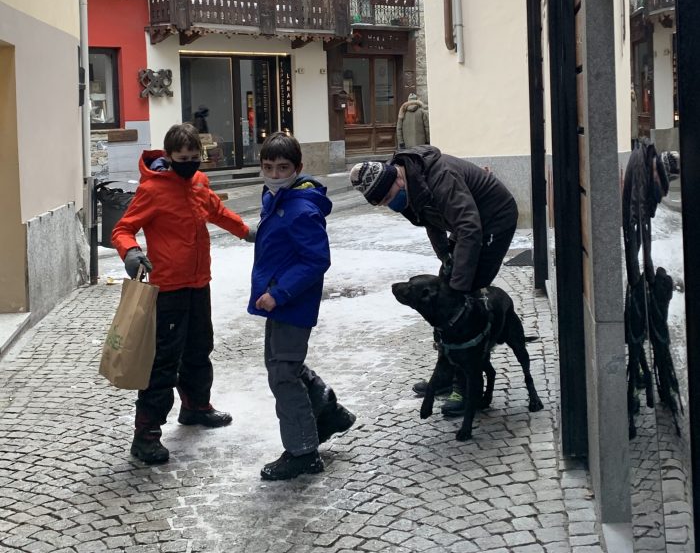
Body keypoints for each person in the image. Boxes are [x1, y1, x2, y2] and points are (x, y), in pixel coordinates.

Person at [112, 122, 255, 465]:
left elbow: (217, 212)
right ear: (170, 156)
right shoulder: (153, 190)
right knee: (163, 362)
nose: (190, 162)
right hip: (169, 288)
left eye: (195, 157)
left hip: (198, 282)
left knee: (199, 347)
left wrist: (246, 231)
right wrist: (131, 252)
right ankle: (145, 435)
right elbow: (123, 228)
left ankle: (195, 406)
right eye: (183, 157)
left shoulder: (199, 184)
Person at [350, 145, 518, 417]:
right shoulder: (411, 184)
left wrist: (460, 286)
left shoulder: (440, 178)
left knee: (468, 296)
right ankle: (446, 374)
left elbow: (469, 227)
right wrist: (446, 260)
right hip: (469, 223)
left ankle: (467, 388)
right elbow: (433, 223)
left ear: (398, 178)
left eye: (390, 198)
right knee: (446, 293)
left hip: (494, 219)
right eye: (383, 204)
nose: (391, 205)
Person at [248, 132, 355, 481]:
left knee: (283, 374)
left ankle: (302, 452)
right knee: (283, 365)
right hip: (279, 301)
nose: (275, 174)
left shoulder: (300, 208)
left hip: (291, 303)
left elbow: (315, 260)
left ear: (298, 168)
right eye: (268, 167)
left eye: (283, 168)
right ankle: (329, 409)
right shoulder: (278, 198)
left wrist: (279, 293)